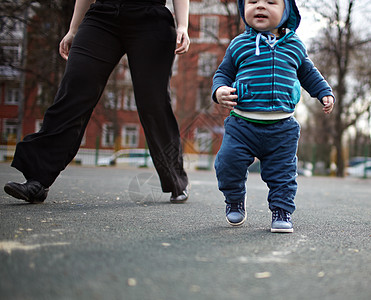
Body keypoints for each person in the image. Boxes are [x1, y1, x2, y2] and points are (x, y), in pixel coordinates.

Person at [4, 0, 190, 204]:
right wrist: (73, 29)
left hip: (151, 18)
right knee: (74, 90)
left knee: (153, 102)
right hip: (102, 16)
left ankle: (175, 180)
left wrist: (182, 25)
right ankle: (38, 180)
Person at [212, 0, 334, 232]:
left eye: (270, 2)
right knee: (227, 163)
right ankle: (235, 199)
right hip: (242, 125)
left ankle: (282, 211)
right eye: (252, 1)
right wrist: (218, 91)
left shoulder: (295, 46)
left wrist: (324, 92)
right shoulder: (239, 44)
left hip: (282, 127)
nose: (260, 6)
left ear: (286, 10)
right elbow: (223, 73)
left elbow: (308, 73)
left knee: (283, 174)